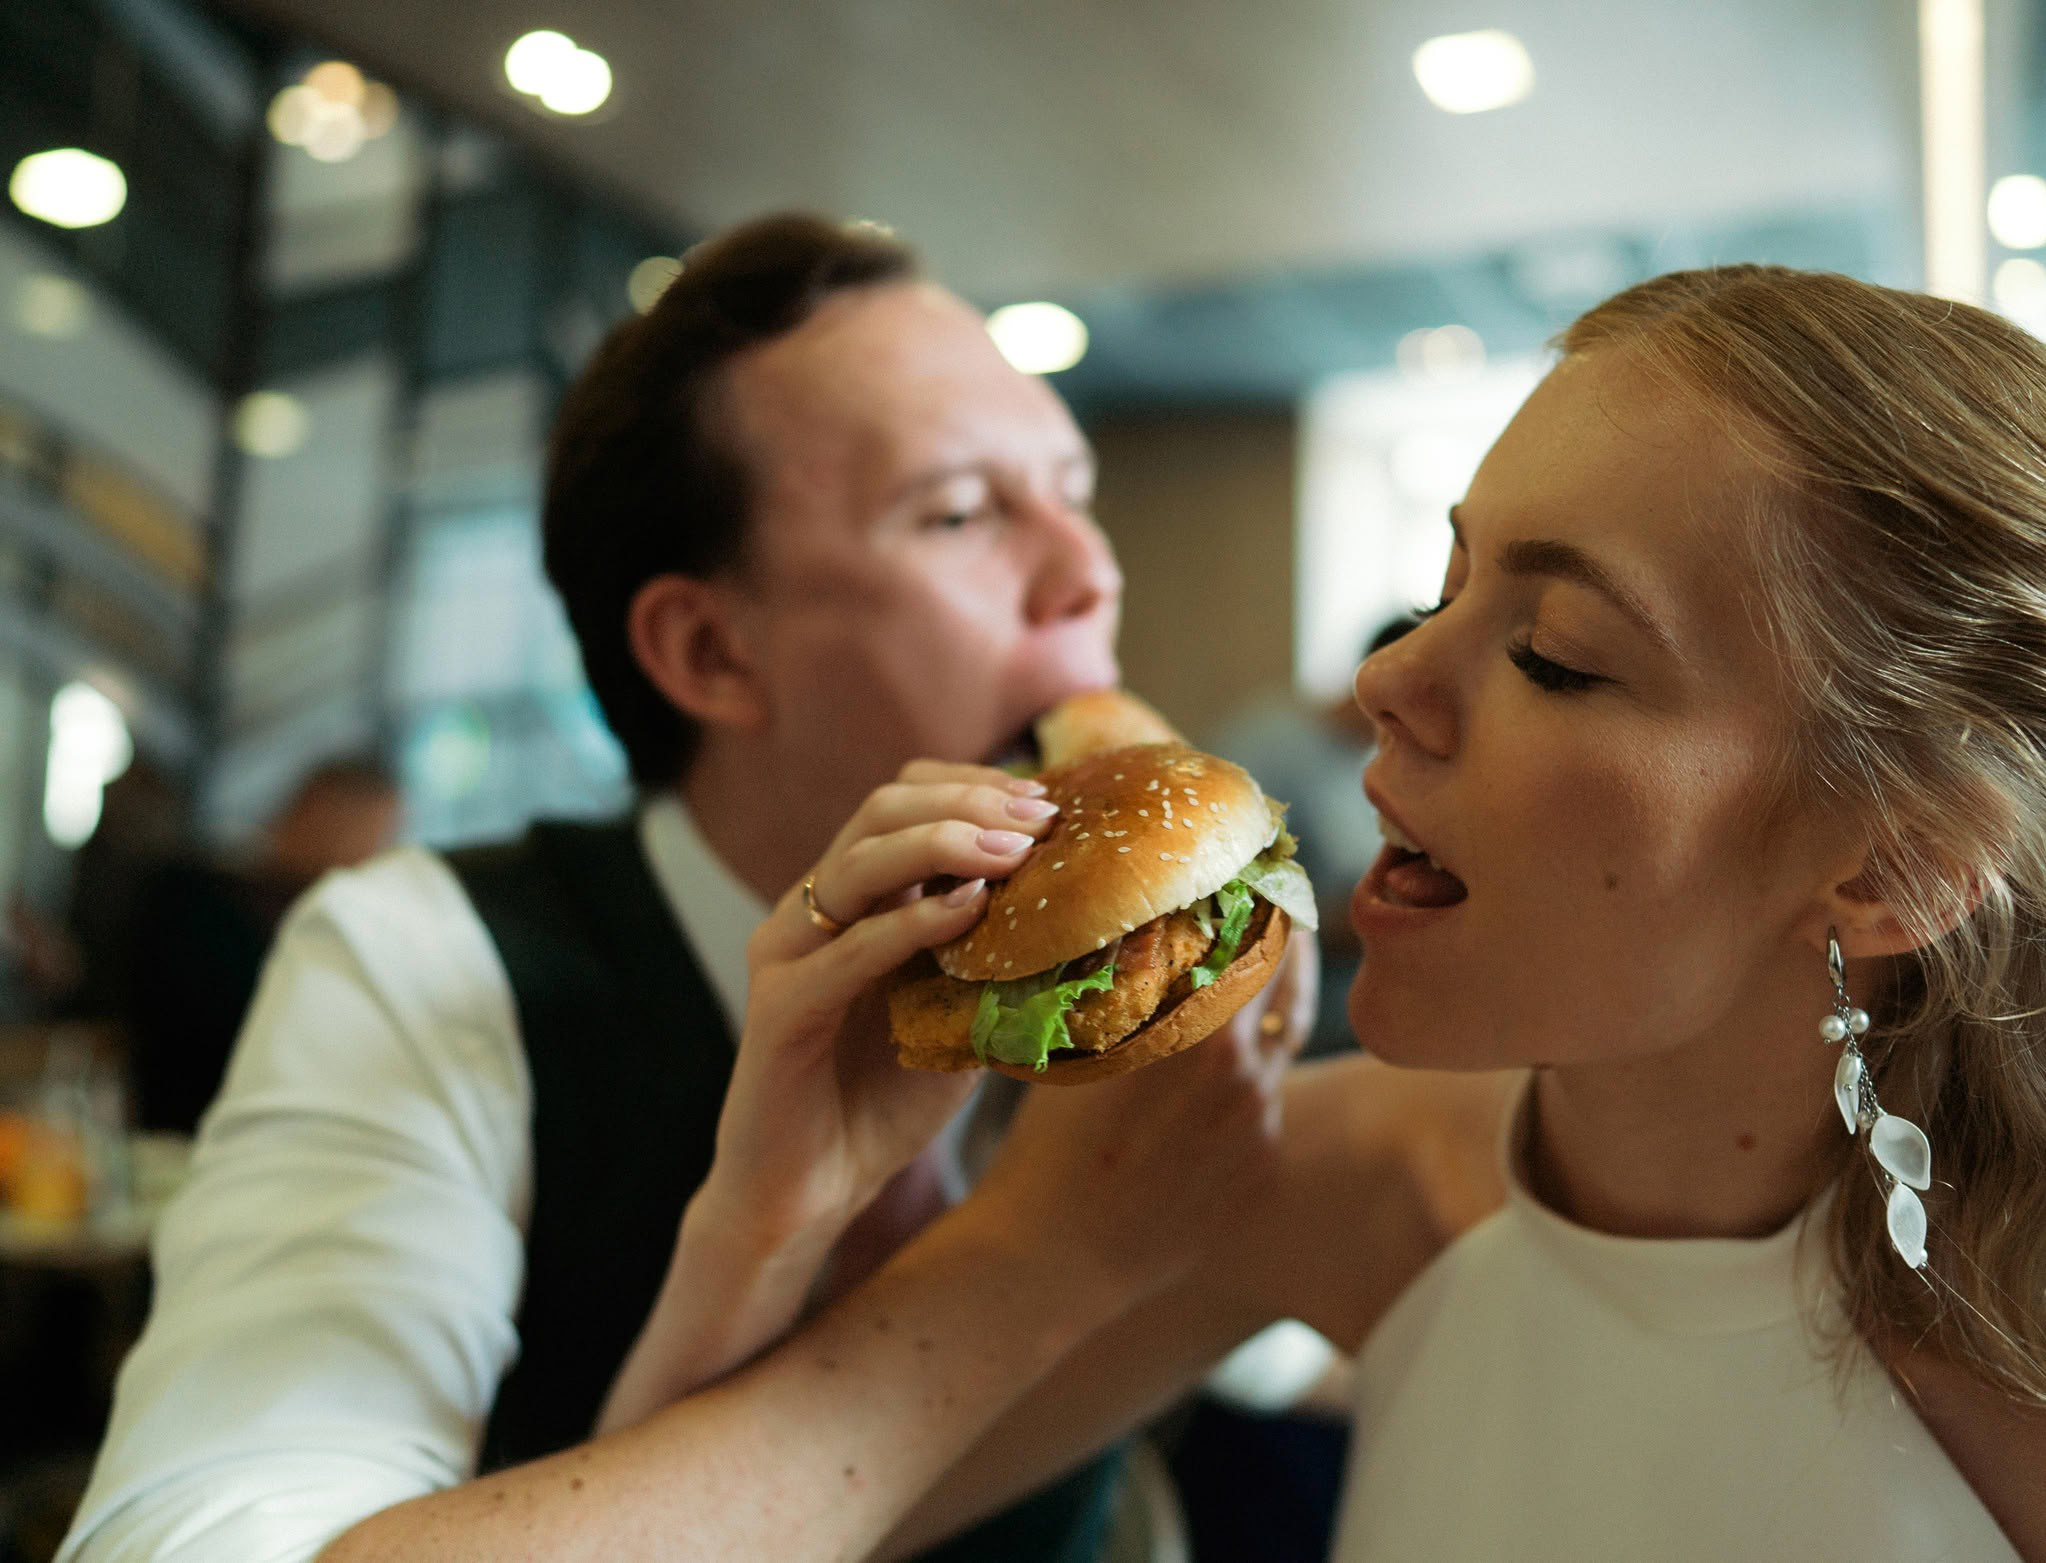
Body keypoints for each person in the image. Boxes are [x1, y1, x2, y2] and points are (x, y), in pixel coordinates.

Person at [653, 264, 2046, 1558]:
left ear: (1889, 865)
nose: (1393, 680)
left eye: (1560, 654)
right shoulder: (1310, 1170)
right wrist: (776, 1209)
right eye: (1450, 582)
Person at [60, 214, 1306, 1562]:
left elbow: (1325, 1304)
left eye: (1075, 488)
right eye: (959, 512)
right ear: (711, 650)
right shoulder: (427, 958)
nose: (1090, 570)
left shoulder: (1115, 967)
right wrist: (1037, 1262)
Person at [124, 757, 402, 1133]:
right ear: (315, 816)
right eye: (371, 837)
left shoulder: (341, 926)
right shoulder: (196, 899)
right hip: (187, 1141)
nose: (378, 859)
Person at [1212, 615, 1416, 1056]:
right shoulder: (1268, 750)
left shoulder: (1385, 765)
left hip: (1360, 1018)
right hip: (1282, 1025)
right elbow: (1218, 905)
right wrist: (1342, 919)